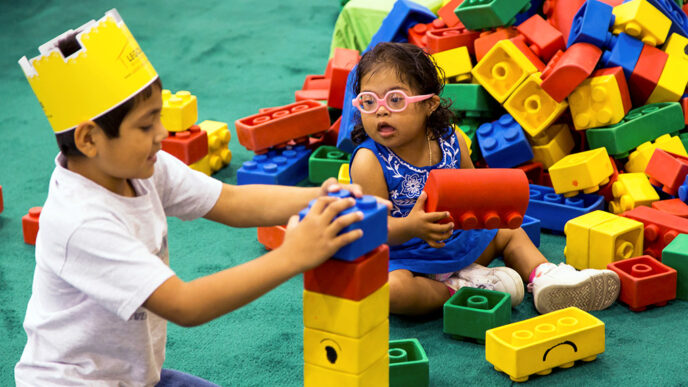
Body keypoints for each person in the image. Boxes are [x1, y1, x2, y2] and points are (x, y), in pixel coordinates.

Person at [14, 9, 387, 386]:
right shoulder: (81, 222)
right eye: (146, 125)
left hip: (137, 378)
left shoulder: (143, 167)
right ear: (88, 139)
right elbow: (185, 305)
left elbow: (232, 200)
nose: (161, 133)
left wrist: (318, 195)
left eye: (159, 117)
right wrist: (293, 256)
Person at [348, 42, 620, 316]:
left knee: (509, 232)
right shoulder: (369, 161)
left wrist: (495, 203)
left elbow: (473, 191)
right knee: (392, 291)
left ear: (429, 104)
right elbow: (373, 230)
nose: (380, 110)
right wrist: (412, 227)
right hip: (407, 259)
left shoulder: (450, 140)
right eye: (368, 101)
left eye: (395, 99)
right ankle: (459, 291)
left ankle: (546, 277)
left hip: (458, 242)